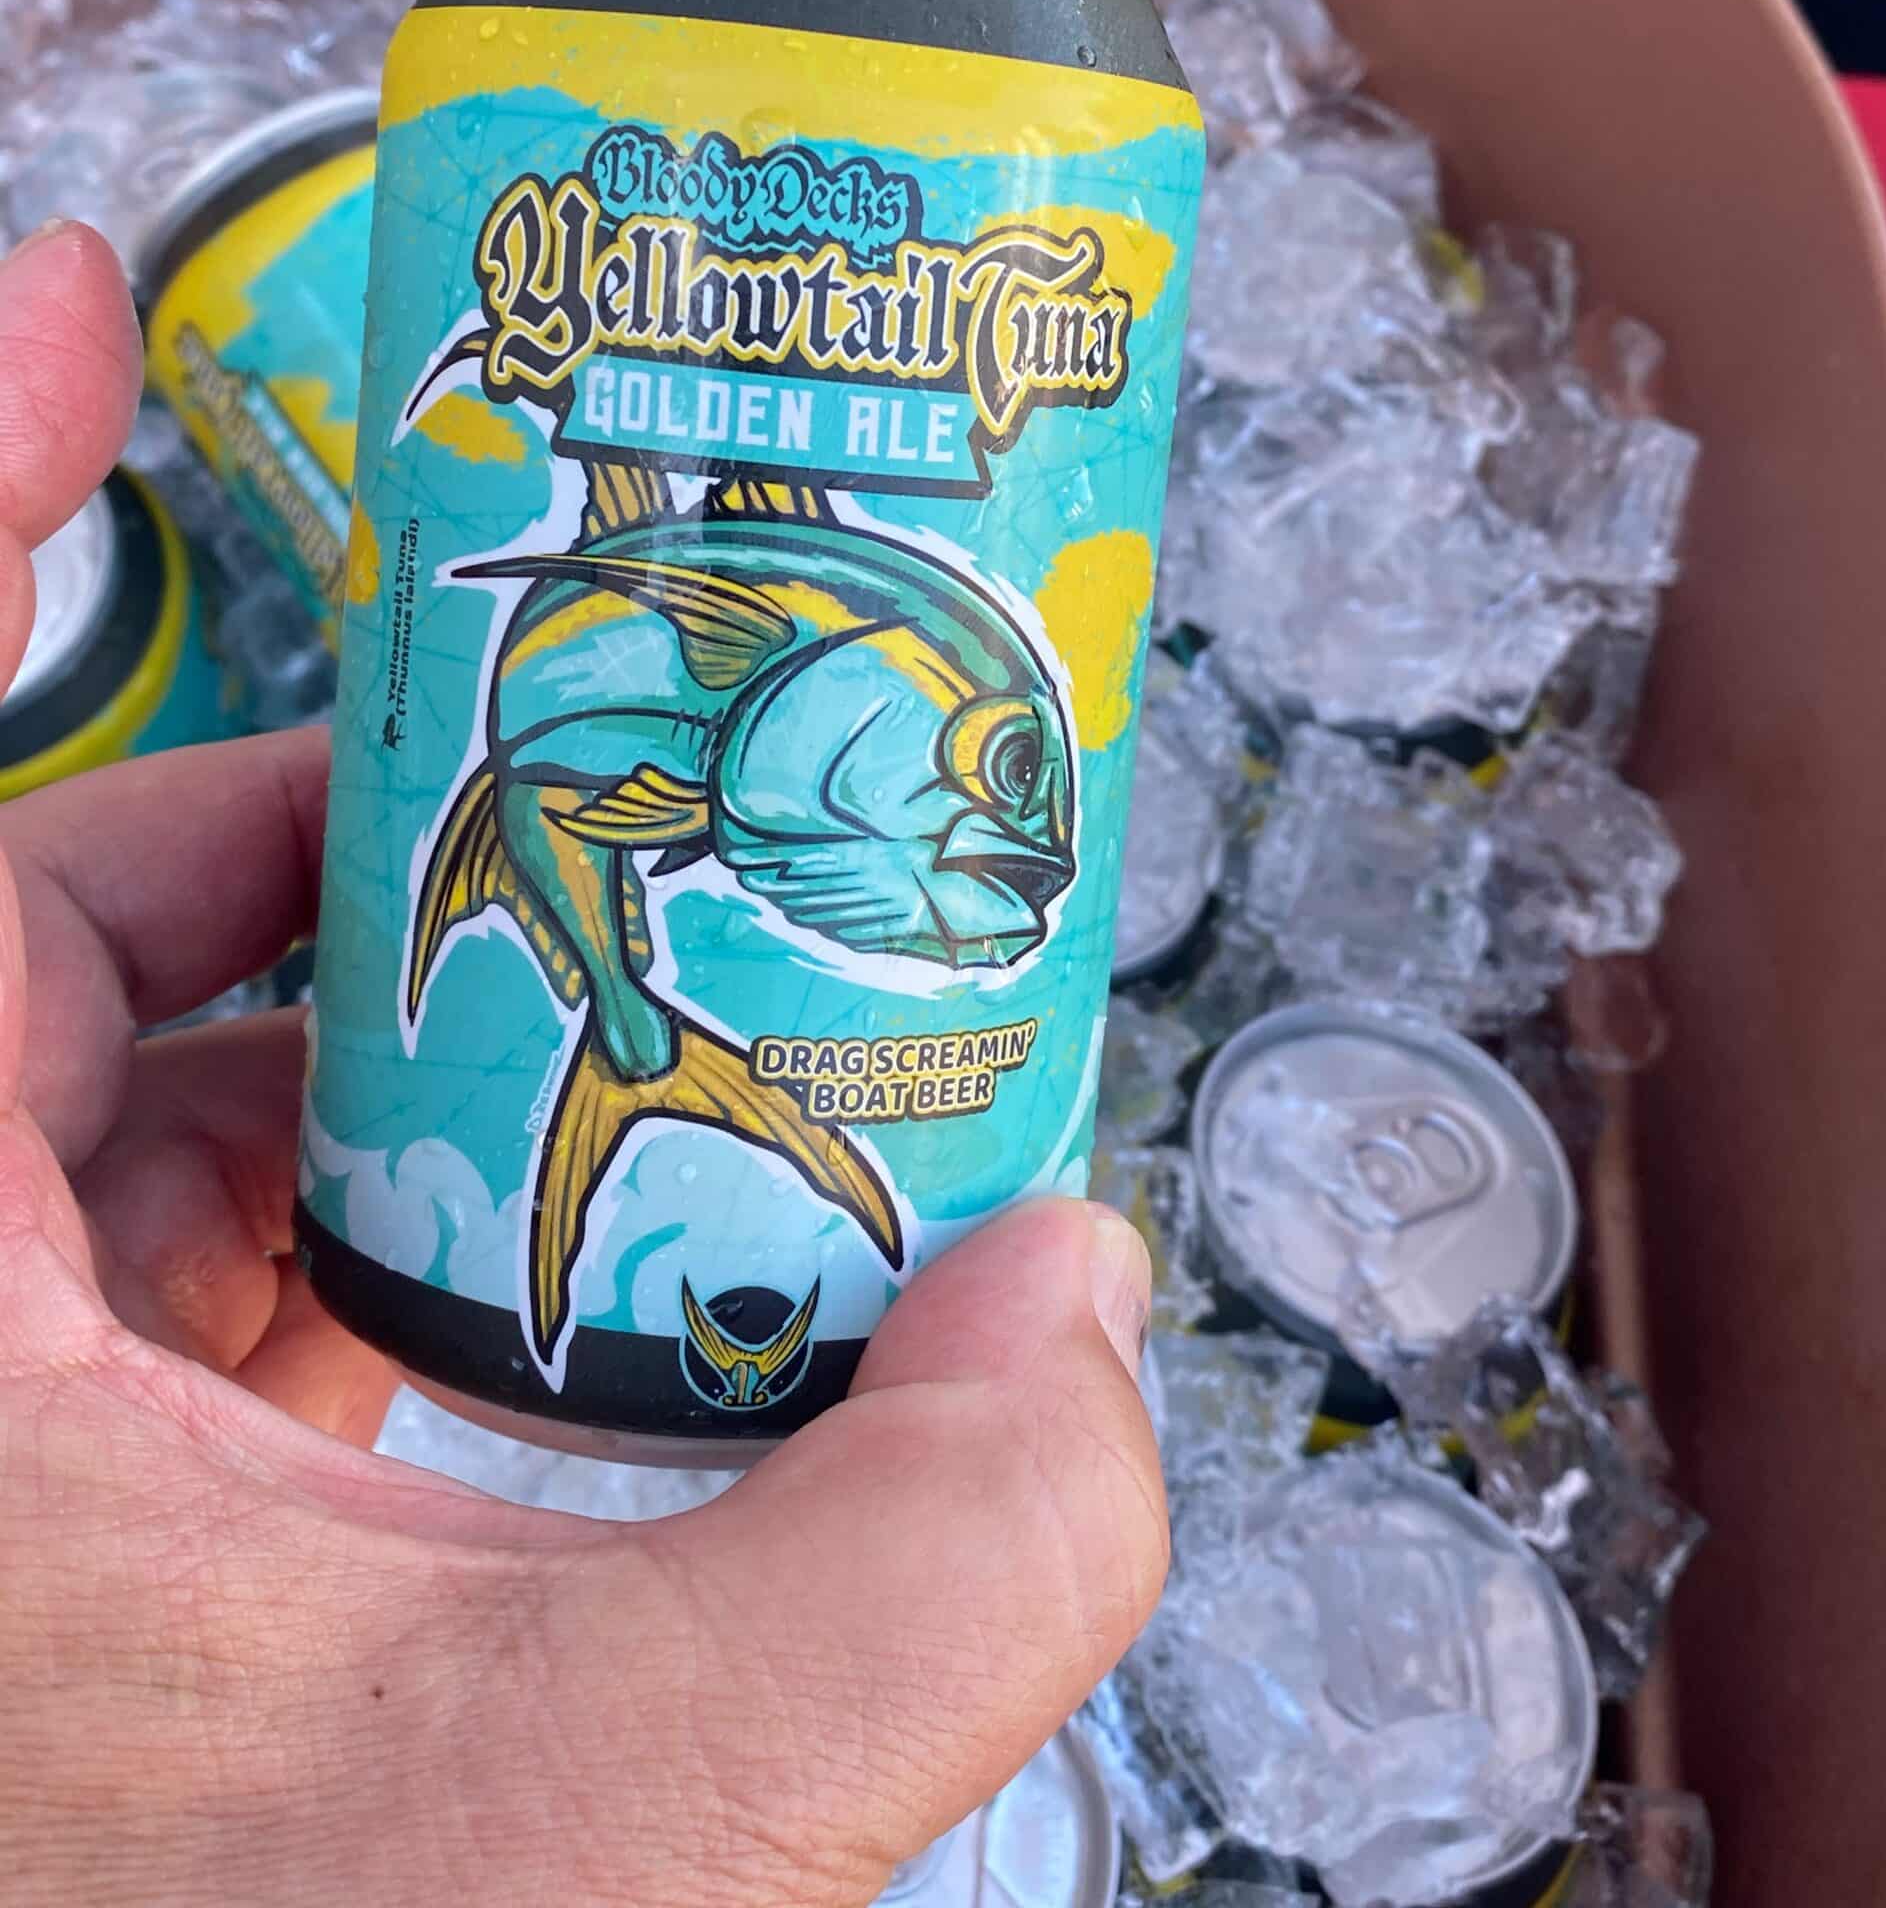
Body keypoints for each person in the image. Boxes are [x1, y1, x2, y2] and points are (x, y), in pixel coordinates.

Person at [0, 219, 1166, 1904]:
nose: (1014, 847)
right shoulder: (734, 613)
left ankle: (635, 1052)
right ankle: (633, 1050)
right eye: (990, 768)